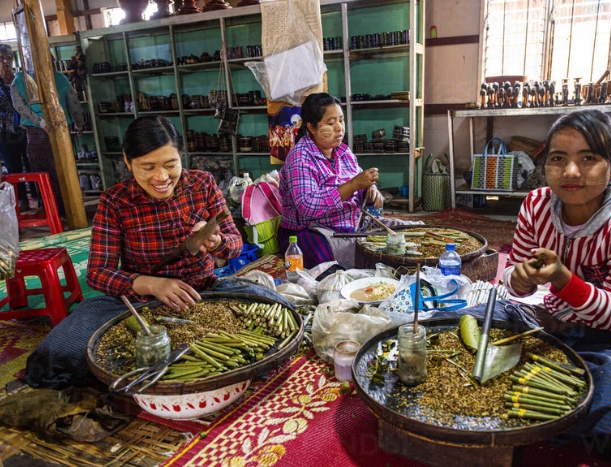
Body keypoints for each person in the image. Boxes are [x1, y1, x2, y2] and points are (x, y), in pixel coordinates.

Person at [24, 116, 254, 389]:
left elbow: (235, 243)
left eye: (171, 165)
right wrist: (149, 284)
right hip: (136, 304)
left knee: (276, 306)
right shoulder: (115, 201)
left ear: (180, 156)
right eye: (147, 167)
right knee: (56, 357)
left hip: (203, 294)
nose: (161, 177)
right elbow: (97, 273)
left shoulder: (202, 185)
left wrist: (217, 243)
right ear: (127, 161)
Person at [501, 110, 611, 465]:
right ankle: (560, 413)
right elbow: (514, 283)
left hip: (608, 341)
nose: (571, 173)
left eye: (588, 158)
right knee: (466, 320)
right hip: (547, 322)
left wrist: (564, 280)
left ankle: (549, 416)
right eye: (558, 159)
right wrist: (520, 277)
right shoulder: (537, 205)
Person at [277, 93, 383, 268]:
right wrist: (354, 184)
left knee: (399, 235)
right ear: (311, 127)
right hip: (309, 231)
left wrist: (369, 190)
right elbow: (308, 206)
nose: (339, 128)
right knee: (328, 259)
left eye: (341, 120)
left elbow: (358, 185)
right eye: (331, 123)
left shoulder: (343, 151)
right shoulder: (300, 157)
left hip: (348, 226)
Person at [11, 66, 85, 215]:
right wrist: (79, 124)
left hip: (36, 132)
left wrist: (40, 122)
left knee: (42, 171)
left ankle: (49, 206)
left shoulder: (19, 81)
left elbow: (20, 107)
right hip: (61, 129)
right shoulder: (60, 78)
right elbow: (74, 103)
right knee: (65, 167)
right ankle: (69, 206)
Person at [0, 44, 34, 212]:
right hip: (4, 132)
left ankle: (38, 198)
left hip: (26, 129)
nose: (5, 62)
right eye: (1, 59)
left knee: (32, 164)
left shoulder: (21, 80)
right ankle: (21, 200)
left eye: (9, 58)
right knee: (13, 167)